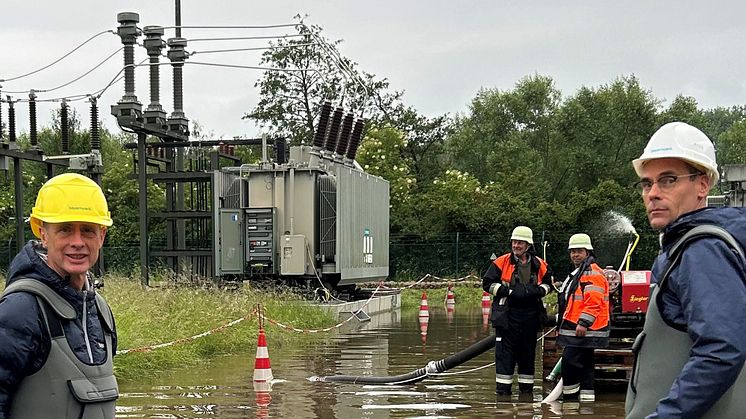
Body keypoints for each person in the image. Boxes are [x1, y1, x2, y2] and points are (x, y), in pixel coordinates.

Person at [625, 122, 746, 419]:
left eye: (667, 180)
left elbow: (720, 350)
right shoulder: (686, 247)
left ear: (702, 185)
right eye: (646, 182)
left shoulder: (703, 250)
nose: (652, 193)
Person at [0, 173, 118, 419]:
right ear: (43, 234)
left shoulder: (101, 310)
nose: (77, 242)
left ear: (102, 236)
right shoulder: (19, 310)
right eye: (65, 230)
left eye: (87, 230)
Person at [482, 226, 553, 395]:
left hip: (530, 317)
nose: (516, 246)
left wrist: (537, 291)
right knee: (504, 360)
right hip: (507, 317)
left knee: (527, 359)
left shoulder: (539, 264)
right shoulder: (501, 262)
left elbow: (549, 284)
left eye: (520, 243)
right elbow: (487, 284)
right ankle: (503, 398)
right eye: (514, 242)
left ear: (528, 245)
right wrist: (509, 292)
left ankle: (526, 398)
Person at [556, 233, 609, 402]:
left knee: (570, 365)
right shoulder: (581, 272)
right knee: (586, 365)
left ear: (588, 252)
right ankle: (587, 404)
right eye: (572, 251)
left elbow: (593, 301)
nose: (575, 255)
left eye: (579, 251)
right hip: (581, 328)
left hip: (583, 329)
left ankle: (570, 403)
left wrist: (583, 323)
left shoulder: (591, 273)